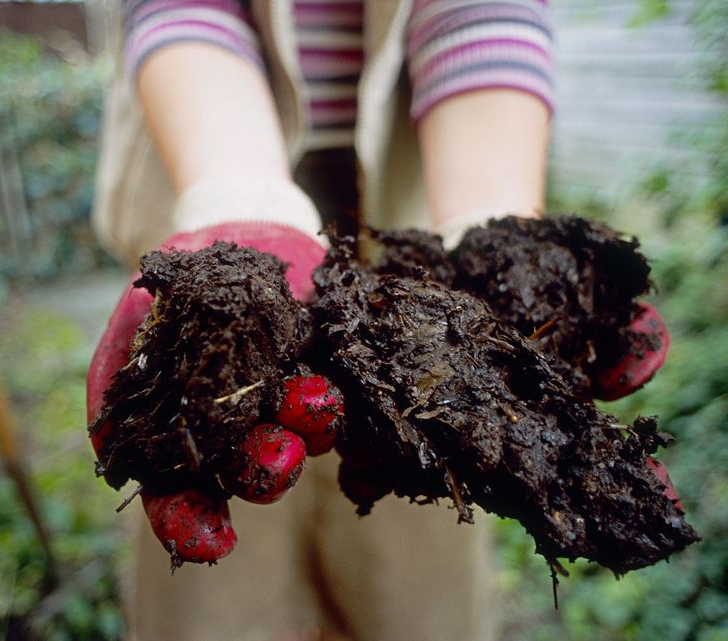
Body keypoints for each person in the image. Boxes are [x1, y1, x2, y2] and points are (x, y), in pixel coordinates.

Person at [88, 2, 557, 640]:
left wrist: (491, 229)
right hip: (208, 155)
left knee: (416, 570)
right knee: (215, 603)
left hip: (413, 239)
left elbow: (479, 14)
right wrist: (240, 201)